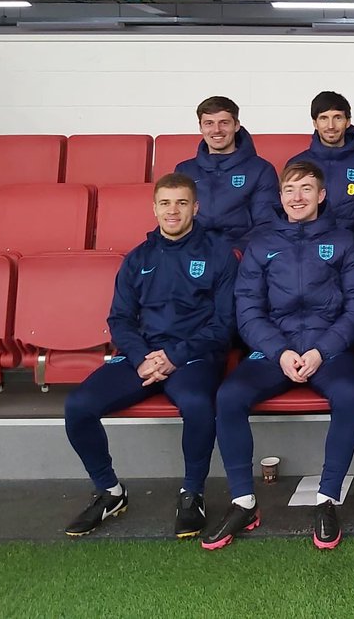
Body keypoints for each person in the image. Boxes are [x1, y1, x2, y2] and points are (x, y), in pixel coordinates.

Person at [63, 173, 237, 538]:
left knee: (196, 403)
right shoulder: (137, 258)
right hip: (142, 356)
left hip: (194, 356)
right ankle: (109, 491)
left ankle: (193, 493)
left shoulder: (219, 255)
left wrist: (173, 356)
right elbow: (120, 319)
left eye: (181, 202)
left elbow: (224, 325)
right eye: (165, 203)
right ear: (154, 208)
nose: (173, 211)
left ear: (196, 207)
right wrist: (143, 356)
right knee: (78, 405)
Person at [202, 161, 354, 551]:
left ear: (322, 195)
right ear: (280, 197)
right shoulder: (261, 244)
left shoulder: (344, 241)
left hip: (327, 348)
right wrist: (280, 351)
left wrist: (320, 350)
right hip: (275, 349)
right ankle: (243, 501)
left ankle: (327, 498)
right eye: (290, 189)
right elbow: (248, 310)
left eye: (307, 189)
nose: (297, 197)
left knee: (348, 395)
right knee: (228, 396)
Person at [175, 95, 278, 247]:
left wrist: (234, 253)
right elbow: (176, 219)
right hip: (192, 251)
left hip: (239, 254)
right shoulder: (184, 170)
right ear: (201, 127)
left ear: (236, 125)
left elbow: (266, 224)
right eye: (209, 123)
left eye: (224, 123)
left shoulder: (261, 169)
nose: (217, 130)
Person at [288, 91, 354, 249]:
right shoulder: (297, 164)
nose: (331, 126)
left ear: (347, 122)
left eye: (337, 118)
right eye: (324, 118)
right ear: (315, 123)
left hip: (353, 249)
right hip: (305, 249)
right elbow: (286, 213)